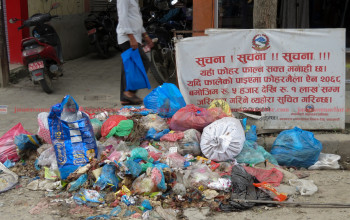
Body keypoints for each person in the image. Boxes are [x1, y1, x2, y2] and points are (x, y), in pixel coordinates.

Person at [117, 0, 154, 105]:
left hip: (134, 37)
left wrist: (145, 36)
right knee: (143, 61)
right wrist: (131, 37)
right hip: (127, 38)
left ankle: (125, 97)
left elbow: (136, 18)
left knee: (128, 67)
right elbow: (122, 17)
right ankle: (129, 92)